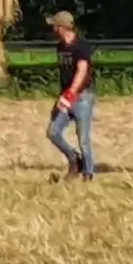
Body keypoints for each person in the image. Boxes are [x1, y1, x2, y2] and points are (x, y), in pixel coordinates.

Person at [44, 10, 95, 181]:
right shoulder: (59, 47)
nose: (53, 29)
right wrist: (63, 97)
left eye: (54, 26)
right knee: (53, 132)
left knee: (83, 139)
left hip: (81, 98)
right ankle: (74, 159)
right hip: (66, 96)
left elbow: (82, 71)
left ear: (61, 27)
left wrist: (71, 93)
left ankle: (88, 173)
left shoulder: (81, 46)